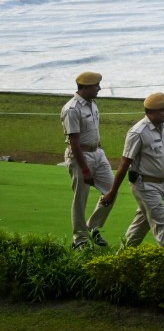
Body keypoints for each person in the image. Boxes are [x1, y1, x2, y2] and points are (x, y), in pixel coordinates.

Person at [101, 92, 164, 248]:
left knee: (141, 224)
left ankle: (123, 257)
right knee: (162, 222)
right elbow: (124, 163)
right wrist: (112, 192)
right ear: (150, 112)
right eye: (163, 110)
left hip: (160, 185)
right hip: (144, 186)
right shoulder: (137, 132)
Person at [60, 71, 115, 248]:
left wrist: (98, 151)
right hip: (80, 157)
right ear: (84, 87)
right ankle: (79, 240)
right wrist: (85, 169)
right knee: (80, 199)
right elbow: (74, 142)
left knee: (111, 191)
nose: (99, 88)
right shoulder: (72, 109)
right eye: (95, 86)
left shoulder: (92, 103)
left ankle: (92, 228)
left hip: (98, 152)